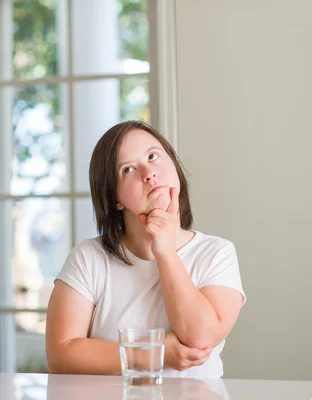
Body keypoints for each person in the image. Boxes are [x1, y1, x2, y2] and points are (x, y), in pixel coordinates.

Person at [45, 120, 246, 378]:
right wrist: (155, 353)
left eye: (153, 156)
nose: (149, 172)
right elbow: (61, 356)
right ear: (114, 198)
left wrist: (165, 252)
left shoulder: (217, 252)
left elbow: (200, 337)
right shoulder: (88, 258)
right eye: (128, 169)